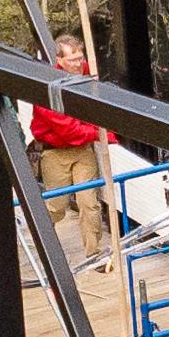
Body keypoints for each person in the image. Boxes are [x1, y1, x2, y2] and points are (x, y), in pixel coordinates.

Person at [29, 31, 112, 261]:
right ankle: (45, 251)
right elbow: (68, 129)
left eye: (80, 58)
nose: (78, 64)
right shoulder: (48, 86)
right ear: (59, 60)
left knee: (89, 202)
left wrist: (103, 131)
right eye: (72, 60)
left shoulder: (86, 75)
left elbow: (94, 110)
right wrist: (100, 134)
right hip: (55, 152)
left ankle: (94, 254)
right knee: (57, 206)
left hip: (82, 150)